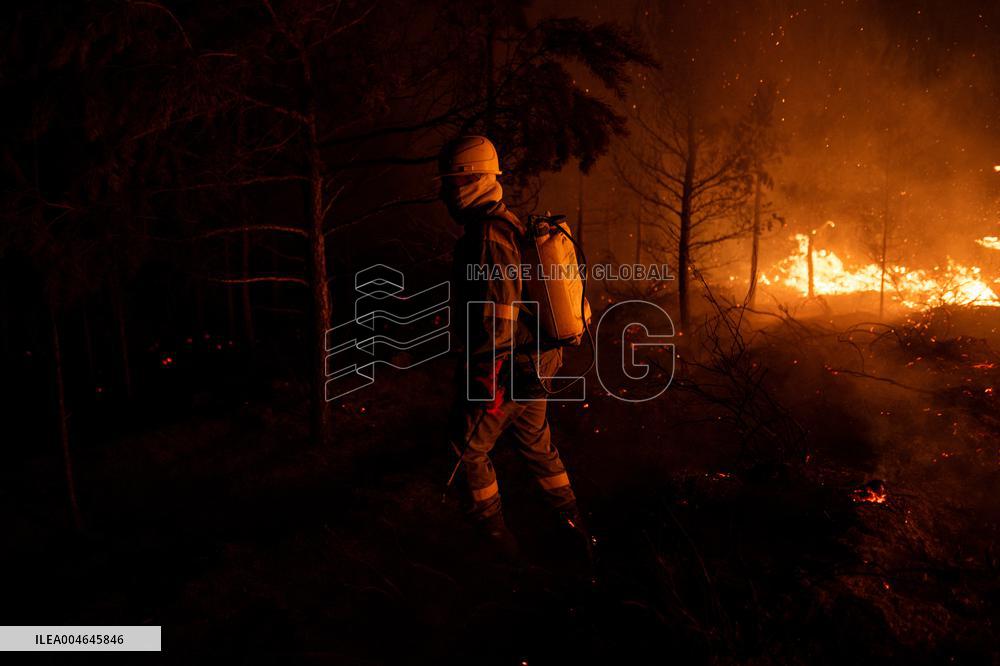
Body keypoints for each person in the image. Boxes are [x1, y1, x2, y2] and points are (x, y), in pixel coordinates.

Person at [439, 135, 589, 561]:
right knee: (539, 450)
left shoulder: (488, 235)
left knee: (465, 451)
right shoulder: (509, 223)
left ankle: (498, 555)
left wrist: (486, 379)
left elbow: (497, 315)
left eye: (451, 183)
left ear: (471, 182)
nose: (445, 193)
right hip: (535, 366)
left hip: (509, 370)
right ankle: (576, 535)